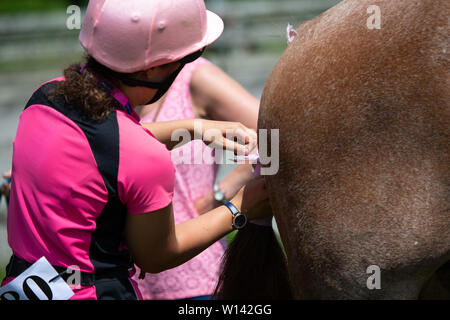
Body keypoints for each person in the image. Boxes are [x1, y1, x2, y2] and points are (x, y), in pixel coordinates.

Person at [0, 0, 270, 300]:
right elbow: (157, 256)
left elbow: (108, 146)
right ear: (155, 68)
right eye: (190, 56)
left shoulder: (44, 100)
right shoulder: (144, 157)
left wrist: (194, 128)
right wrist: (239, 207)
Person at [133, 56, 259, 299]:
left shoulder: (195, 78)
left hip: (194, 280)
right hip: (131, 284)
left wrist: (219, 195)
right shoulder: (115, 89)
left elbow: (274, 135)